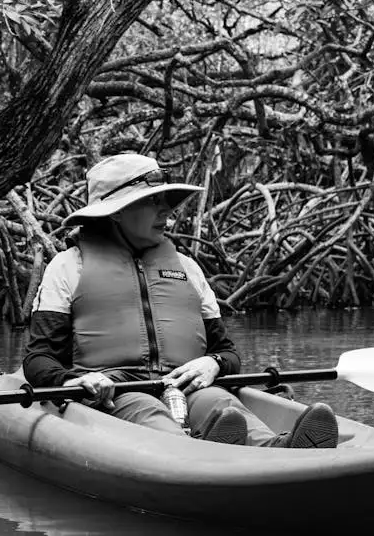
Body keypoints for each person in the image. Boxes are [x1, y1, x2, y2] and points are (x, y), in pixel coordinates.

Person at [22, 153, 338, 448]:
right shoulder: (67, 267)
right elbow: (39, 359)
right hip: (116, 392)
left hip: (185, 385)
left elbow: (226, 353)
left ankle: (279, 447)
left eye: (165, 201)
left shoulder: (187, 268)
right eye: (152, 201)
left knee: (222, 404)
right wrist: (75, 381)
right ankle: (197, 454)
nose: (166, 211)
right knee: (148, 411)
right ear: (116, 213)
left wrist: (212, 363)